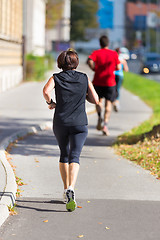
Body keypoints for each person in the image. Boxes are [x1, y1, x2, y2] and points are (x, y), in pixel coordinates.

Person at [43, 49, 99, 212]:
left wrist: (51, 103)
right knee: (74, 156)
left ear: (60, 63)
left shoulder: (56, 77)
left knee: (63, 154)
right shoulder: (84, 78)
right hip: (80, 123)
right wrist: (84, 95)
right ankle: (71, 188)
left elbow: (46, 91)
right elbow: (95, 99)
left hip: (60, 122)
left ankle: (65, 188)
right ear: (75, 63)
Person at [87, 35, 121, 136]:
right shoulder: (114, 53)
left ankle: (99, 116)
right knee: (108, 104)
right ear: (108, 43)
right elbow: (118, 67)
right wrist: (112, 70)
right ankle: (105, 125)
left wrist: (93, 68)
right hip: (110, 82)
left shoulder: (96, 53)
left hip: (98, 81)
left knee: (98, 101)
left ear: (100, 43)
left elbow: (89, 60)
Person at [113, 47, 129, 112]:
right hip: (120, 75)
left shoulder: (113, 58)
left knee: (112, 88)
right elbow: (126, 70)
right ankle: (117, 102)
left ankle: (112, 101)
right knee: (118, 89)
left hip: (112, 75)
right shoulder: (122, 60)